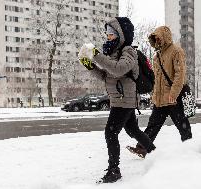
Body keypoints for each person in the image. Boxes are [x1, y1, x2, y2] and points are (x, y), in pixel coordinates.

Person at [78, 17, 156, 184]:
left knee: (110, 132)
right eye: (107, 33)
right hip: (118, 99)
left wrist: (96, 55)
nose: (108, 36)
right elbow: (107, 76)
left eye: (111, 33)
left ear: (121, 34)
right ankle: (154, 153)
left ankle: (114, 170)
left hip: (124, 99)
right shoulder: (112, 53)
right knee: (132, 130)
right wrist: (90, 66)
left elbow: (119, 69)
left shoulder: (128, 52)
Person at [127, 26, 192, 158]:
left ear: (165, 37)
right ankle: (142, 148)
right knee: (153, 124)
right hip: (160, 99)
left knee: (182, 125)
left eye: (158, 37)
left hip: (174, 97)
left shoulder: (176, 51)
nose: (156, 40)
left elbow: (180, 74)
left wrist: (173, 94)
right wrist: (154, 96)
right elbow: (157, 79)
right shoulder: (157, 56)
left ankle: (190, 148)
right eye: (154, 38)